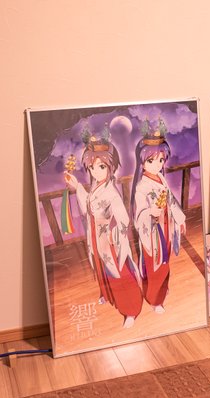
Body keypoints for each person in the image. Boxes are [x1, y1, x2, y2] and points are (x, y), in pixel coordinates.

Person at [64, 129, 143, 328]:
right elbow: (88, 207)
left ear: (111, 167)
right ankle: (108, 295)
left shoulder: (111, 194)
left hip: (110, 240)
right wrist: (77, 186)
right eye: (92, 167)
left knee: (119, 273)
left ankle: (131, 310)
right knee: (102, 269)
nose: (96, 172)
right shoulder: (96, 188)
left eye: (101, 167)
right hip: (96, 236)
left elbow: (123, 219)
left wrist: (112, 230)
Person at [130, 119, 186, 311]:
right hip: (153, 231)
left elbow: (170, 200)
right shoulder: (142, 186)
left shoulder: (160, 177)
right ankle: (155, 300)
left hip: (166, 226)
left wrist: (179, 219)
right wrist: (150, 212)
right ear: (142, 162)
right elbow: (139, 213)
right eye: (151, 160)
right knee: (156, 263)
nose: (157, 165)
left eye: (161, 160)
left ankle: (162, 288)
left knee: (165, 261)